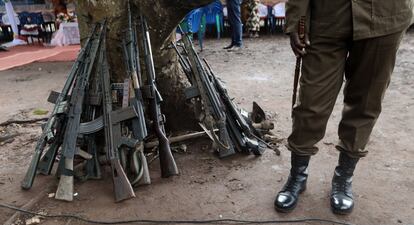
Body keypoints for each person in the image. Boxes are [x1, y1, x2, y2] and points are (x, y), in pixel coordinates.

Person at [274, 0, 413, 215]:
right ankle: (297, 176)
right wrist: (297, 20)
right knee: (311, 102)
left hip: (386, 16)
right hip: (327, 17)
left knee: (366, 102)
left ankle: (343, 178)